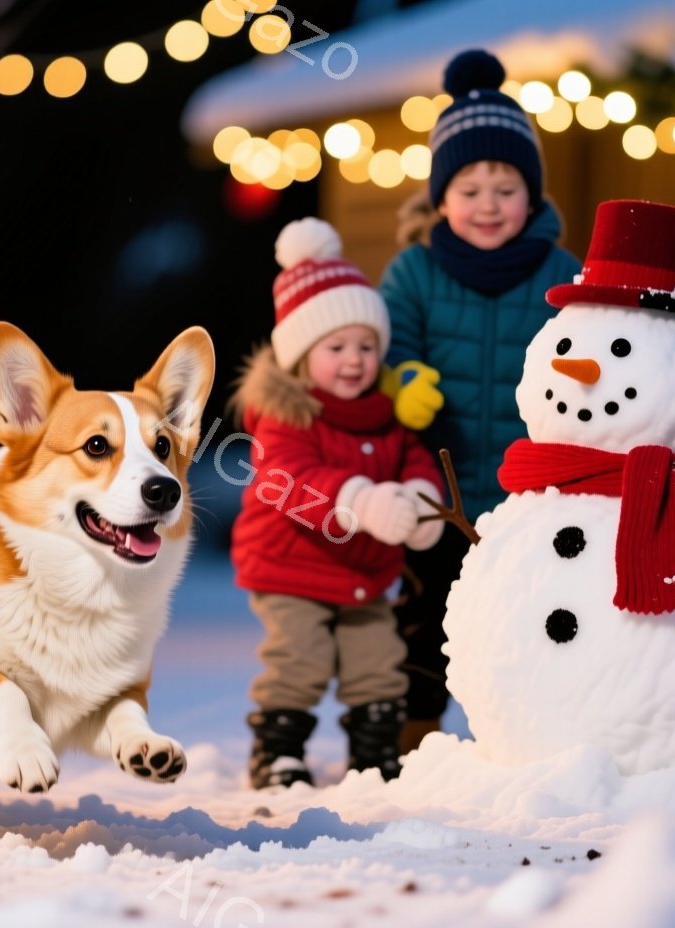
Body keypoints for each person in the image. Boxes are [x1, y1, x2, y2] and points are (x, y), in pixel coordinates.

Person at [378, 49, 583, 751]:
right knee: (424, 613)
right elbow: (390, 344)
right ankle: (414, 731)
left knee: (533, 616)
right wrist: (405, 380)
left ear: (532, 196)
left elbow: (586, 354)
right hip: (437, 486)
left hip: (533, 492)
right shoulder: (413, 271)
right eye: (470, 187)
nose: (488, 204)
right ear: (441, 197)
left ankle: (536, 738)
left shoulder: (563, 274)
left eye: (505, 187)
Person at [231, 218, 446, 789]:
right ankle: (278, 751)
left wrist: (422, 502)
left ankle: (374, 754)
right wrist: (358, 500)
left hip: (366, 571)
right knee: (298, 660)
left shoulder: (384, 414)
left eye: (366, 346)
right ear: (302, 355)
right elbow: (288, 480)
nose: (354, 360)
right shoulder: (286, 416)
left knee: (379, 661)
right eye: (336, 347)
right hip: (291, 568)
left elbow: (413, 459)